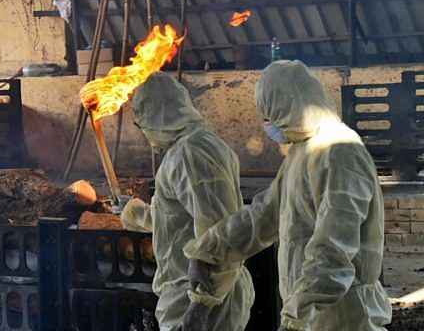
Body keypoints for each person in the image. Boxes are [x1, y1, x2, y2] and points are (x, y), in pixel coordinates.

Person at [186, 60, 392, 330]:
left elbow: (334, 248)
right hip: (310, 313)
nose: (266, 123)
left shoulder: (340, 151)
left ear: (287, 105)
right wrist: (207, 252)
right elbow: (263, 216)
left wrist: (296, 317)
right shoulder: (303, 151)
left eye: (269, 113)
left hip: (344, 314)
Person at [120, 71, 254, 331]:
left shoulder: (189, 155)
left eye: (142, 124)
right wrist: (133, 212)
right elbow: (179, 218)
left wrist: (199, 307)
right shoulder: (201, 144)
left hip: (200, 294)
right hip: (199, 291)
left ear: (155, 119)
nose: (145, 133)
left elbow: (219, 232)